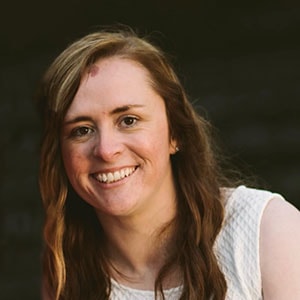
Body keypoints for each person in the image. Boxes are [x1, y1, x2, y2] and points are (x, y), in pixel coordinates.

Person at [37, 26, 300, 300]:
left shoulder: (266, 233)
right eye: (82, 130)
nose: (105, 150)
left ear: (175, 132)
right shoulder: (65, 268)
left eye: (128, 120)